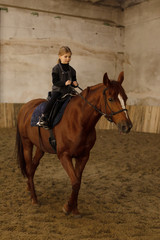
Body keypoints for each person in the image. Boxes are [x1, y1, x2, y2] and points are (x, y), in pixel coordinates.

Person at [37, 46, 78, 128]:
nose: (67, 58)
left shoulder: (72, 70)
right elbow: (55, 82)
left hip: (69, 91)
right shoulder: (56, 69)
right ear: (60, 56)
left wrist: (75, 84)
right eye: (65, 56)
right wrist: (65, 83)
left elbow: (74, 81)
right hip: (58, 91)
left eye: (69, 57)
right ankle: (43, 117)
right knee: (53, 100)